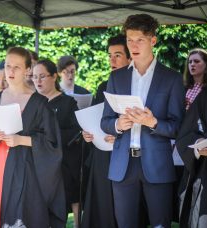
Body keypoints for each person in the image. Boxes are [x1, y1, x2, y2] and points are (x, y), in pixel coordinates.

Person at [101, 14, 185, 228]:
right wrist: (118, 125)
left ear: (153, 41)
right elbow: (105, 121)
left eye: (140, 40)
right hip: (122, 166)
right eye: (130, 40)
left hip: (157, 166)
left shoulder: (172, 78)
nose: (134, 45)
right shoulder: (116, 78)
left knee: (160, 224)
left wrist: (153, 122)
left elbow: (178, 128)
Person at [0, 47, 65, 228]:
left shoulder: (40, 103)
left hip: (25, 170)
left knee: (19, 218)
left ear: (28, 70)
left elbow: (53, 143)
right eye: (8, 65)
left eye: (16, 67)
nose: (10, 71)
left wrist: (21, 140)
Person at [81, 34, 131, 228]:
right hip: (102, 155)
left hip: (127, 155)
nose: (112, 60)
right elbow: (95, 119)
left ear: (130, 57)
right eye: (110, 55)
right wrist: (87, 133)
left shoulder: (138, 86)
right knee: (101, 206)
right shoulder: (103, 85)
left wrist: (119, 133)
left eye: (117, 55)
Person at [33, 59, 82, 228]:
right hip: (37, 166)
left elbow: (76, 132)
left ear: (54, 76)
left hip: (63, 166)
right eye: (34, 77)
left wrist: (50, 137)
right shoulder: (32, 103)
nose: (37, 81)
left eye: (42, 76)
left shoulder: (68, 103)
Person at [172, 48, 207, 222]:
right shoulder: (183, 88)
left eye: (197, 61)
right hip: (183, 138)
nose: (192, 64)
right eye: (190, 61)